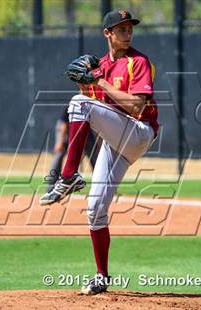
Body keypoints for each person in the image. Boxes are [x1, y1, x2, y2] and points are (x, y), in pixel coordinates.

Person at [39, 9, 159, 295]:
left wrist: (98, 84)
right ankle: (101, 276)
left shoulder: (138, 62)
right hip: (116, 137)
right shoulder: (101, 66)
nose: (127, 32)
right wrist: (86, 83)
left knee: (78, 103)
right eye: (121, 29)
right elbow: (96, 110)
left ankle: (68, 176)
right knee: (95, 210)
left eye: (129, 28)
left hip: (139, 131)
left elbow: (138, 107)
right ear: (107, 33)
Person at [43, 106, 100, 193]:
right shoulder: (74, 105)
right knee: (59, 155)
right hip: (67, 131)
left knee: (95, 159)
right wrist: (60, 142)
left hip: (86, 132)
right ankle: (51, 187)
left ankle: (101, 187)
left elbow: (98, 131)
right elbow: (63, 125)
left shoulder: (93, 109)